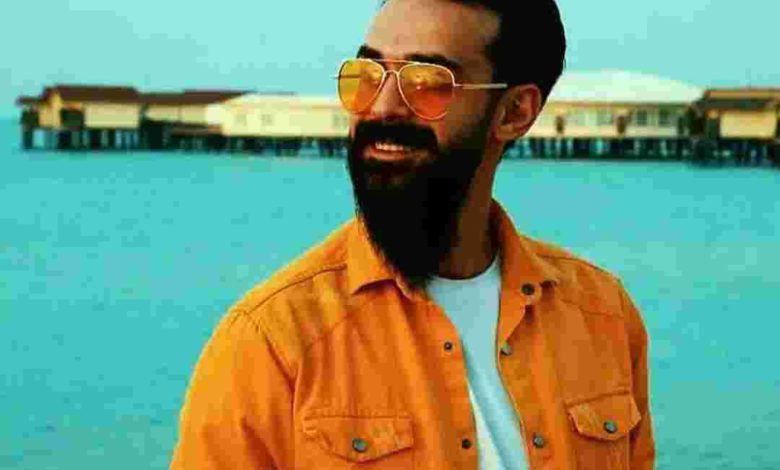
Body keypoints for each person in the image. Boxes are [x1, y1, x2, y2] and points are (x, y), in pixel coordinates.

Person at [170, 0, 655, 468]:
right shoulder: (273, 341)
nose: (382, 107)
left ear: (514, 112)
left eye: (426, 83)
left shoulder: (603, 316)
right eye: (367, 76)